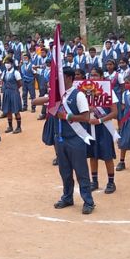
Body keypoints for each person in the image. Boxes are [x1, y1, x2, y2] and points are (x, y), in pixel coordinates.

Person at [51, 67, 95, 214]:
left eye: (61, 77)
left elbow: (86, 117)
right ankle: (67, 197)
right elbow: (38, 102)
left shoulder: (79, 95)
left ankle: (88, 201)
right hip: (60, 138)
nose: (58, 80)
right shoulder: (57, 96)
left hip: (76, 139)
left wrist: (67, 117)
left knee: (81, 171)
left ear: (69, 78)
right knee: (64, 171)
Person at [86, 68, 119, 194]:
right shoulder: (86, 92)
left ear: (101, 77)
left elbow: (114, 113)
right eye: (91, 75)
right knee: (92, 155)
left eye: (95, 75)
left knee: (107, 155)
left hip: (104, 127)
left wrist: (100, 120)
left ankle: (111, 182)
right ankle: (94, 181)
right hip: (90, 126)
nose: (93, 78)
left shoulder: (108, 91)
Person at [1, 57, 23, 133]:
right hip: (6, 93)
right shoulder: (4, 72)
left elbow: (20, 83)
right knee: (8, 110)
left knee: (16, 110)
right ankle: (10, 126)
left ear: (12, 64)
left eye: (8, 63)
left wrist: (14, 89)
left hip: (14, 93)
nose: (6, 64)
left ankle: (19, 127)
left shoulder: (16, 72)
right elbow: (2, 81)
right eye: (5, 63)